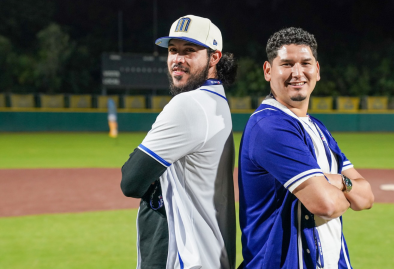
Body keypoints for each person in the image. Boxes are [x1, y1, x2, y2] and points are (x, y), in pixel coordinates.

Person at [238, 27, 374, 269]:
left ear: (317, 70)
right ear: (268, 71)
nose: (297, 73)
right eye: (287, 64)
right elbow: (327, 205)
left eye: (305, 63)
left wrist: (340, 183)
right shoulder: (270, 126)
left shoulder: (317, 128)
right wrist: (339, 186)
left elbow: (366, 198)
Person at [121, 15, 237, 269]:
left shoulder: (189, 104)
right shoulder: (218, 102)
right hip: (213, 256)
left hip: (190, 260)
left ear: (214, 57)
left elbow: (130, 180)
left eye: (190, 51)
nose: (177, 59)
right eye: (173, 50)